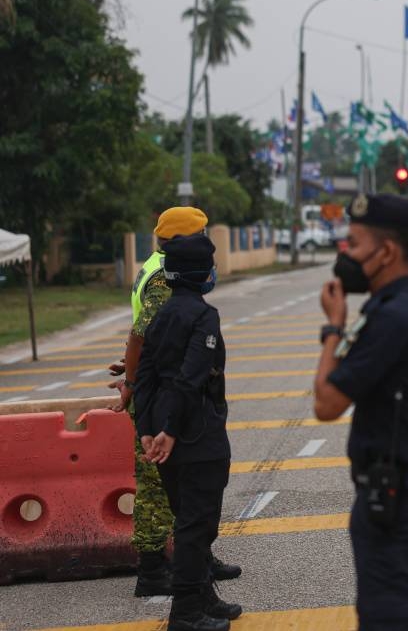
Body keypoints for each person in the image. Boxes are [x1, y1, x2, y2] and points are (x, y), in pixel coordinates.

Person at [312, 192, 408, 629]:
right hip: (402, 500)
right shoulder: (397, 311)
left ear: (387, 251)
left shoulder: (394, 319)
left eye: (354, 244)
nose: (345, 255)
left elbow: (326, 403)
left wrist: (333, 326)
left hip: (401, 509)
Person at [107, 207, 239, 597]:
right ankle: (152, 570)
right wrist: (132, 382)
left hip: (162, 389)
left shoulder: (156, 265)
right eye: (199, 234)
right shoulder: (168, 278)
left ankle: (196, 557)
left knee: (185, 487)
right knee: (159, 486)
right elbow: (141, 335)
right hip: (165, 398)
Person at [134, 234, 242, 631]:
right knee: (198, 525)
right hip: (195, 432)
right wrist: (172, 431)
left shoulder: (162, 313)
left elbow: (144, 376)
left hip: (165, 428)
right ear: (202, 273)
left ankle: (203, 597)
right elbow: (192, 377)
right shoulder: (202, 316)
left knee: (188, 518)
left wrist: (148, 429)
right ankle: (185, 614)